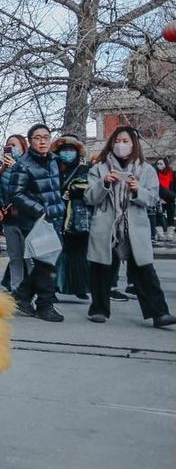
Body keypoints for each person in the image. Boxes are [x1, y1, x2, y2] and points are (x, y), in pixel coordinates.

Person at [85, 126, 175, 329]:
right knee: (101, 269)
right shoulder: (99, 168)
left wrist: (137, 190)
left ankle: (159, 313)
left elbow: (153, 199)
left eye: (126, 141)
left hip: (135, 227)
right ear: (111, 143)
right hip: (107, 226)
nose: (121, 145)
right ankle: (98, 310)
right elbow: (89, 197)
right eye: (117, 141)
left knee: (144, 271)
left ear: (134, 144)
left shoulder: (146, 169)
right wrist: (104, 183)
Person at [7, 124, 65, 322]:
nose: (42, 141)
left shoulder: (54, 161)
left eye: (46, 137)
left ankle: (22, 296)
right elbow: (16, 194)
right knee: (46, 265)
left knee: (45, 264)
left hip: (54, 219)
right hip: (35, 221)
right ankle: (45, 305)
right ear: (30, 141)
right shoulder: (23, 165)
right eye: (37, 138)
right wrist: (39, 209)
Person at [53, 134, 91, 300]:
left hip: (77, 217)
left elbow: (91, 188)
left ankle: (79, 286)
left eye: (71, 150)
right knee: (56, 253)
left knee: (78, 253)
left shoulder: (85, 170)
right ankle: (53, 287)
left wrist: (76, 190)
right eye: (64, 150)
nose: (67, 153)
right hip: (56, 215)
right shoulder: (52, 168)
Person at [0, 134, 27, 292]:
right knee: (15, 257)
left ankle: (33, 289)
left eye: (14, 145)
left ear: (23, 147)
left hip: (26, 217)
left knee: (30, 257)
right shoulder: (2, 169)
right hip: (9, 217)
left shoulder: (27, 165)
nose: (11, 148)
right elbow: (0, 190)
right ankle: (16, 289)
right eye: (8, 145)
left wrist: (16, 168)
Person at [154, 157, 174, 243]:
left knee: (171, 215)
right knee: (159, 215)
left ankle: (170, 234)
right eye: (157, 164)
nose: (159, 165)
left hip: (170, 198)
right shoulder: (154, 174)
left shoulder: (172, 174)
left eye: (161, 163)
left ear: (165, 164)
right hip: (159, 198)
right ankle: (160, 234)